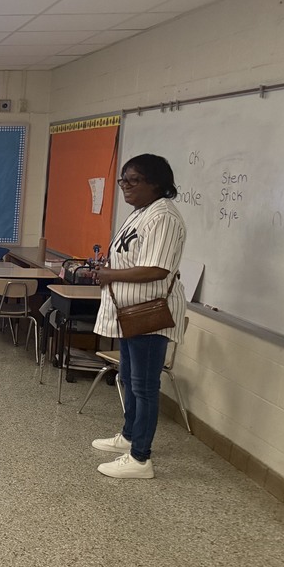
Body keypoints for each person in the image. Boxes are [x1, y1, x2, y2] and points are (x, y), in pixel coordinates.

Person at [91, 153, 187, 479]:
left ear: (156, 184)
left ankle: (140, 458)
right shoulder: (141, 213)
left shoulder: (164, 217)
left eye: (134, 180)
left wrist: (112, 276)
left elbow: (157, 268)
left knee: (145, 386)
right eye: (123, 180)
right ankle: (129, 436)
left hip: (148, 313)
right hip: (129, 313)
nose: (125, 187)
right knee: (129, 379)